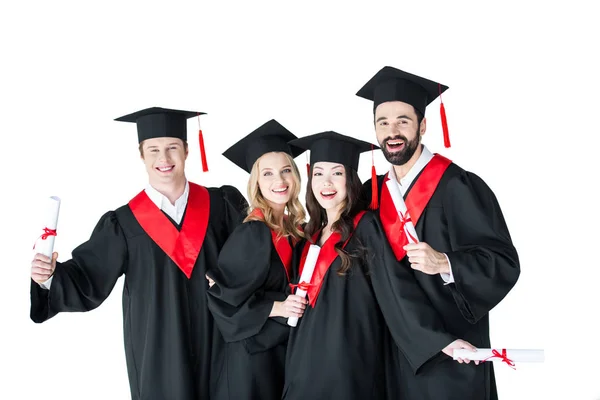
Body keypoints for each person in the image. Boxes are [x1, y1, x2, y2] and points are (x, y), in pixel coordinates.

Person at [29, 107, 248, 400]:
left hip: (221, 341)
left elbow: (252, 260)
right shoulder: (124, 223)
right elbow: (87, 277)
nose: (164, 158)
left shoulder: (221, 205)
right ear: (141, 154)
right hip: (159, 350)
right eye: (153, 149)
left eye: (172, 147)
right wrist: (48, 278)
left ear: (186, 150)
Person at [356, 66, 521, 399]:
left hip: (451, 351)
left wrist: (445, 262)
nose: (392, 131)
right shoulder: (370, 193)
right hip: (393, 349)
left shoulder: (457, 186)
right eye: (382, 122)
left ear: (423, 125)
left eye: (403, 120)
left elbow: (503, 263)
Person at [282, 131, 473, 400]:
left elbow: (394, 286)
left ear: (350, 179)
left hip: (347, 361)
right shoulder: (309, 235)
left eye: (337, 173)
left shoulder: (364, 226)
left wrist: (440, 341)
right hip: (304, 360)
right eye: (319, 173)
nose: (327, 182)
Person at [205, 119, 307, 400]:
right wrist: (277, 306)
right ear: (257, 183)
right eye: (268, 174)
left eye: (286, 170)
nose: (280, 181)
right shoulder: (253, 232)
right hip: (252, 360)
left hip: (283, 350)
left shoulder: (295, 228)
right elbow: (221, 300)